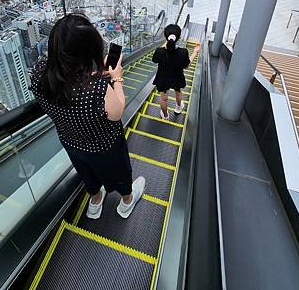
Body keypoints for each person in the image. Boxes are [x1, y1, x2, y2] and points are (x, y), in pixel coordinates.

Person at [30, 14, 145, 220]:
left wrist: (94, 76)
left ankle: (95, 200)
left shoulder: (39, 75)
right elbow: (117, 112)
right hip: (104, 146)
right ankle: (127, 201)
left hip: (71, 142)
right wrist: (116, 77)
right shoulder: (97, 90)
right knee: (119, 174)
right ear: (89, 52)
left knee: (85, 172)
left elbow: (69, 86)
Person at [152, 24, 201, 120]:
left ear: (166, 37)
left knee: (163, 99)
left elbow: (155, 60)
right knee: (178, 92)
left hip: (163, 77)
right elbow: (186, 66)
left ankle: (165, 116)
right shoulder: (183, 52)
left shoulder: (159, 51)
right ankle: (178, 108)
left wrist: (166, 43)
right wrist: (195, 52)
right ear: (178, 38)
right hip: (177, 76)